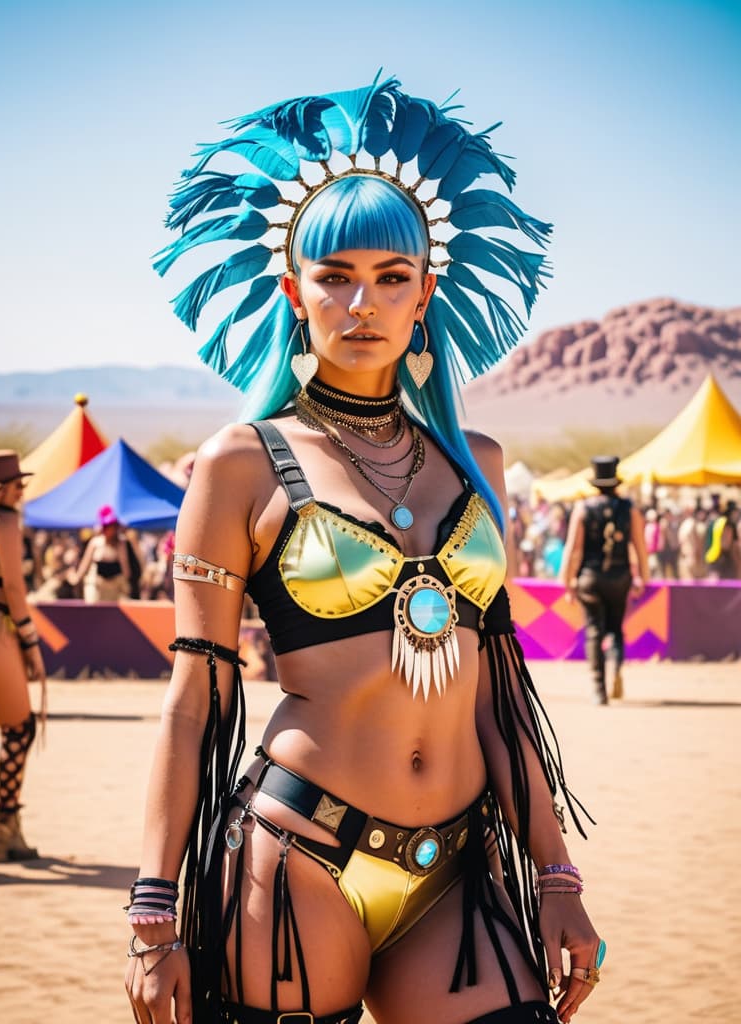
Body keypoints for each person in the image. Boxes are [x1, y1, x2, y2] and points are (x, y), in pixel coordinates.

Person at [125, 78, 604, 1024]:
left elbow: (502, 690)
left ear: (426, 292)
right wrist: (153, 912)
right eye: (334, 275)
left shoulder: (480, 468)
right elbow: (196, 700)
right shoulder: (241, 464)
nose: (361, 302)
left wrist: (554, 871)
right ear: (293, 290)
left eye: (391, 276)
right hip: (299, 863)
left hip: (458, 870)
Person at [0, 449, 46, 868]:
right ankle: (4, 829)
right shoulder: (4, 522)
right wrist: (31, 643)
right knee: (20, 729)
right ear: (1, 489)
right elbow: (15, 592)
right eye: (18, 484)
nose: (22, 491)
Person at [559, 457, 649, 704]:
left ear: (596, 483)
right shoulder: (629, 508)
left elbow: (574, 550)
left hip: (590, 578)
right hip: (620, 577)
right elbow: (640, 547)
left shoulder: (584, 509)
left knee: (594, 631)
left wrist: (567, 581)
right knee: (616, 628)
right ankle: (617, 668)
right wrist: (643, 577)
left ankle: (599, 689)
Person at [72, 505, 131, 602]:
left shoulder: (121, 543)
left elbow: (125, 566)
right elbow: (85, 564)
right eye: (108, 526)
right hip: (96, 585)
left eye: (112, 526)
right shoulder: (96, 542)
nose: (110, 530)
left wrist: (127, 583)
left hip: (114, 587)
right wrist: (77, 578)